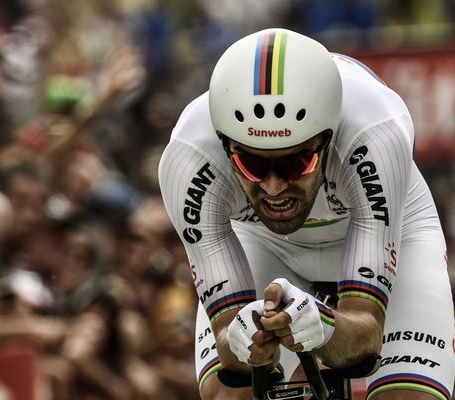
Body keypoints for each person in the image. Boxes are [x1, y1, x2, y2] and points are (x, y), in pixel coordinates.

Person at [158, 28, 455, 400]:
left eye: (296, 162)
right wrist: (246, 344)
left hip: (389, 228)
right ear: (224, 144)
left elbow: (365, 337)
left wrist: (326, 326)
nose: (273, 187)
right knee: (228, 392)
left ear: (328, 138)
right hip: (263, 242)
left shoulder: (375, 135)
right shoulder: (189, 161)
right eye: (250, 164)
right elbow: (231, 357)